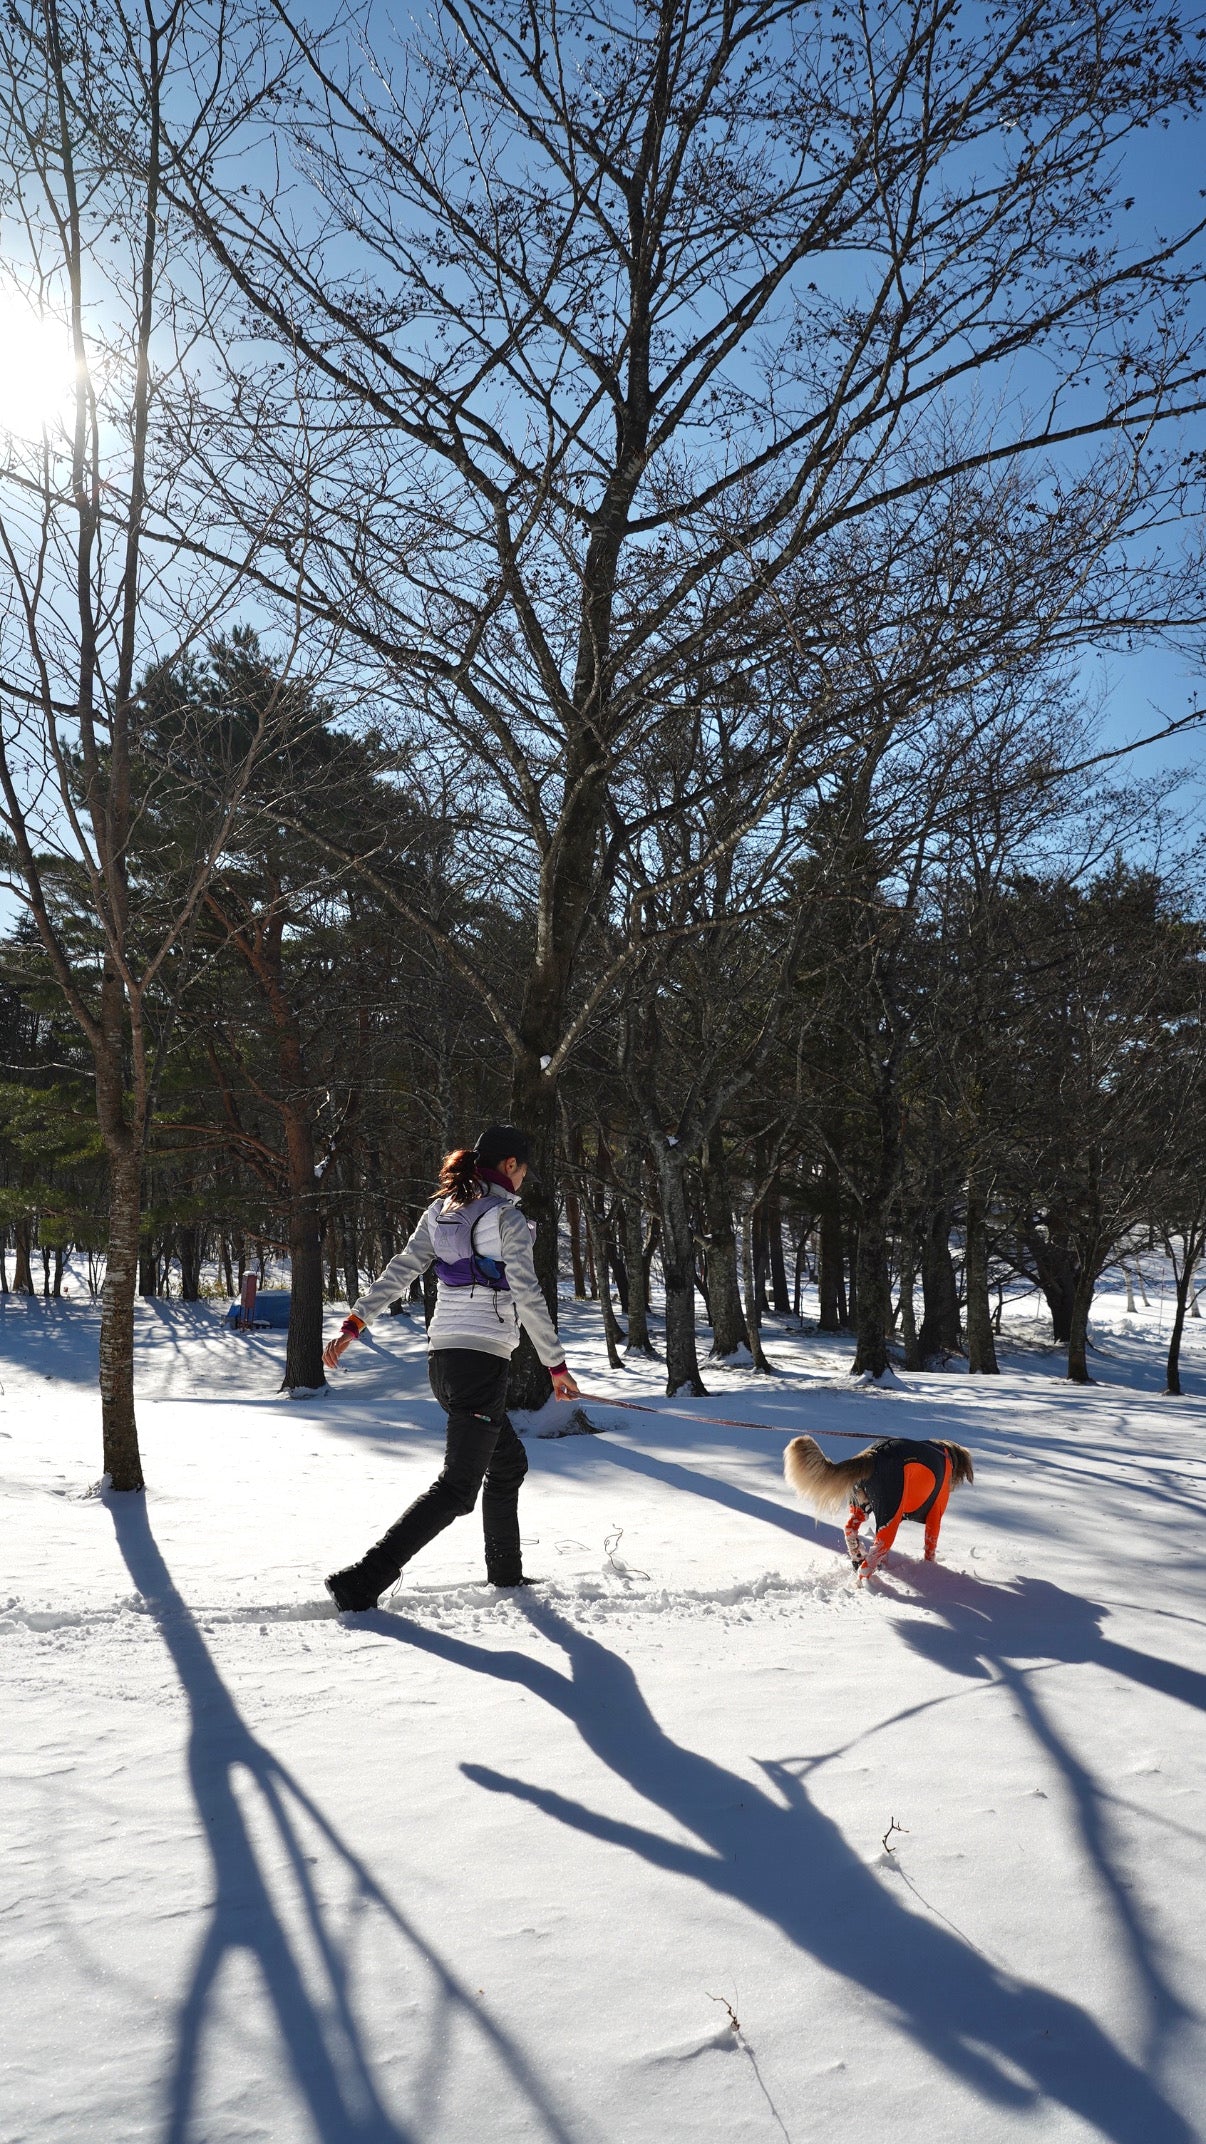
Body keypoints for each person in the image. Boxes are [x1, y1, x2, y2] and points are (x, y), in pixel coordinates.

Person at [323, 1125, 579, 1609]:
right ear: (509, 1166)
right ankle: (362, 1580)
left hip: (444, 1360)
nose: (524, 1179)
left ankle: (507, 1576)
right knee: (458, 1488)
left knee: (508, 1462)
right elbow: (526, 1293)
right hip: (480, 1360)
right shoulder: (506, 1218)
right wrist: (556, 1366)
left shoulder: (443, 1210)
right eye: (523, 1170)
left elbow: (401, 1268)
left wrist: (355, 1323)